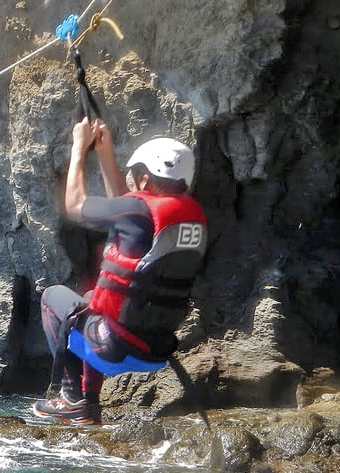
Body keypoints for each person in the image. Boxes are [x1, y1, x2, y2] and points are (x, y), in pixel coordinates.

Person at [32, 117, 208, 425]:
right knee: (88, 299)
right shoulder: (188, 216)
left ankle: (73, 399)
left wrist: (78, 147)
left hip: (115, 345)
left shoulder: (140, 211)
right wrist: (104, 152)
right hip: (154, 349)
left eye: (135, 175)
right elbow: (124, 208)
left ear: (144, 179)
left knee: (53, 297)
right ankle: (88, 406)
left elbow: (75, 205)